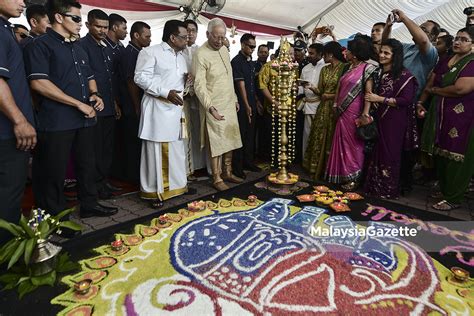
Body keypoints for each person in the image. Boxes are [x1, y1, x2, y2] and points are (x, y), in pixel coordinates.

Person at [24, 0, 117, 219]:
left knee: (87, 164)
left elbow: (89, 75)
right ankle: (54, 218)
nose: (80, 23)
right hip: (57, 120)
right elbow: (38, 83)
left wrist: (95, 95)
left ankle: (89, 204)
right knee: (53, 172)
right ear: (58, 17)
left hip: (84, 118)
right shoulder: (40, 45)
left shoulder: (78, 46)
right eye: (75, 18)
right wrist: (77, 103)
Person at [382, 9, 440, 194]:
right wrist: (388, 27)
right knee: (389, 144)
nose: (419, 30)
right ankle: (386, 179)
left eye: (424, 29)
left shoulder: (430, 53)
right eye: (420, 27)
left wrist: (405, 18)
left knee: (405, 149)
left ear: (433, 37)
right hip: (390, 103)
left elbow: (422, 40)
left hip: (409, 106)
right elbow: (386, 45)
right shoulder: (406, 48)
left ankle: (402, 184)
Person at [134, 19, 190, 205]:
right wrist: (165, 92)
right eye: (183, 37)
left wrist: (187, 82)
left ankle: (176, 186)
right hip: (158, 110)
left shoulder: (181, 57)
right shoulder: (150, 52)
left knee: (176, 150)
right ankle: (155, 192)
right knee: (157, 152)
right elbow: (140, 77)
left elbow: (179, 85)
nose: (187, 39)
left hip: (176, 111)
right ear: (173, 38)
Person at [0, 0, 36, 244]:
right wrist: (19, 120)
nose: (23, 2)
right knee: (8, 197)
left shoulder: (5, 29)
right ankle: (7, 262)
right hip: (6, 131)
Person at [193, 18, 243, 191]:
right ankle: (216, 177)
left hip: (229, 102)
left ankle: (228, 172)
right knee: (216, 141)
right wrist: (210, 107)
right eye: (216, 37)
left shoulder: (224, 49)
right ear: (207, 34)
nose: (220, 41)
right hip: (213, 105)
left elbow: (228, 77)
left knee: (229, 138)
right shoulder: (200, 54)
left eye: (222, 38)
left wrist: (235, 98)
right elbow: (198, 85)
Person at [364, 39, 418, 198]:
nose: (381, 55)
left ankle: (387, 190)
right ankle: (374, 187)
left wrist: (380, 99)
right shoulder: (379, 72)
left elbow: (406, 100)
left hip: (395, 121)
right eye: (381, 52)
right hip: (379, 118)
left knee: (390, 154)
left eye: (386, 53)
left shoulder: (405, 75)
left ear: (396, 56)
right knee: (377, 151)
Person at [429, 27, 474, 211]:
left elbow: (461, 89)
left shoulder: (471, 63)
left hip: (464, 117)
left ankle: (454, 197)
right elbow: (431, 79)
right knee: (442, 152)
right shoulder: (449, 59)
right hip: (443, 114)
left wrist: (436, 91)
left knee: (458, 156)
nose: (457, 41)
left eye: (463, 39)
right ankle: (446, 189)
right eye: (456, 38)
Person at [325, 36, 377, 189]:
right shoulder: (348, 68)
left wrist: (365, 114)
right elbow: (339, 88)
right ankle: (341, 175)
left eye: (347, 50)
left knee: (353, 144)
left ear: (354, 54)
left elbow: (368, 93)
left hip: (354, 112)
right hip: (341, 111)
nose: (344, 53)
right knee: (341, 142)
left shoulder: (367, 69)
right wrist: (335, 104)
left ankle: (353, 178)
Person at [79, 9, 116, 200]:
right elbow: (84, 77)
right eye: (98, 26)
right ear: (88, 25)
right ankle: (94, 187)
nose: (102, 30)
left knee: (106, 149)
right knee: (93, 151)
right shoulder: (81, 46)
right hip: (93, 107)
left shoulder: (107, 46)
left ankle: (103, 182)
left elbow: (111, 79)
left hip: (109, 105)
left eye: (105, 27)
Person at [303, 42, 347, 180]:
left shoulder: (345, 68)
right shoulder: (325, 70)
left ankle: (330, 171)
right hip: (323, 108)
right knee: (318, 137)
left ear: (330, 54)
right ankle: (315, 169)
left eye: (325, 54)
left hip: (336, 108)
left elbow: (346, 92)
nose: (323, 57)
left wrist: (331, 96)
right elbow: (321, 91)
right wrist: (311, 87)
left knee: (331, 139)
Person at [115, 21, 151, 184]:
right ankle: (132, 177)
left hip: (134, 103)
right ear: (136, 35)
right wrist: (137, 106)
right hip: (130, 104)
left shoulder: (139, 51)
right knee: (131, 142)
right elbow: (131, 81)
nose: (150, 39)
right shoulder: (130, 53)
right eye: (147, 36)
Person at [231, 33, 260, 178]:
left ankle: (248, 162)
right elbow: (240, 85)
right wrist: (247, 105)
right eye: (250, 46)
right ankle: (237, 167)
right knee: (240, 135)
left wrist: (255, 102)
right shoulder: (236, 61)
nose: (253, 49)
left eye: (254, 46)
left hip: (252, 102)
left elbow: (252, 85)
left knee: (250, 134)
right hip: (241, 104)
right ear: (242, 44)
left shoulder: (251, 61)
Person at [182, 19, 205, 177]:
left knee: (199, 130)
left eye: (193, 30)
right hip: (182, 98)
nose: (190, 33)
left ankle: (200, 165)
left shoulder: (201, 51)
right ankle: (187, 167)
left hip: (199, 97)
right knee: (186, 133)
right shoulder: (178, 50)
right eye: (187, 30)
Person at [299, 43, 325, 159]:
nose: (308, 55)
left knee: (319, 136)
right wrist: (296, 89)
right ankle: (306, 162)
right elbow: (301, 88)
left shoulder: (326, 66)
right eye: (308, 52)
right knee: (307, 134)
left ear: (320, 54)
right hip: (308, 104)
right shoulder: (306, 68)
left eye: (311, 53)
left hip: (321, 105)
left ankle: (317, 164)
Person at [254, 44, 269, 159]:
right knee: (255, 130)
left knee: (266, 129)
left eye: (266, 52)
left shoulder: (272, 66)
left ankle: (265, 154)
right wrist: (257, 101)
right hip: (256, 100)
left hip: (269, 102)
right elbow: (252, 85)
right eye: (262, 52)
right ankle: (256, 155)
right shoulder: (253, 65)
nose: (264, 54)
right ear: (258, 53)